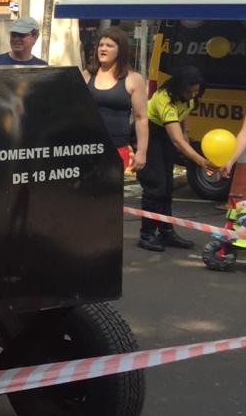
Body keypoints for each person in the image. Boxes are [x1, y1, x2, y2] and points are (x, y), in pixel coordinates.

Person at [137, 66, 214, 251]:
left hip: (167, 134)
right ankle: (147, 234)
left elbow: (184, 113)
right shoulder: (164, 99)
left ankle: (166, 231)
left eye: (196, 91)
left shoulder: (189, 96)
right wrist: (201, 161)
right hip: (151, 133)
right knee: (155, 185)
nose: (193, 95)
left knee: (167, 186)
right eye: (190, 92)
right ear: (179, 87)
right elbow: (177, 141)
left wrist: (185, 131)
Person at [82, 27, 148, 171]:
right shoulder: (86, 75)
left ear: (120, 50)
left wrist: (141, 151)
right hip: (87, 148)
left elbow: (141, 118)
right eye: (101, 45)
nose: (103, 49)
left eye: (109, 45)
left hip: (117, 148)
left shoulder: (133, 79)